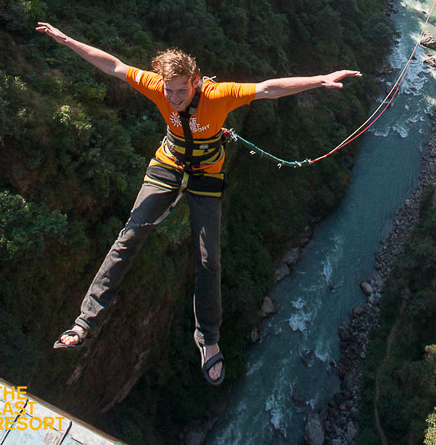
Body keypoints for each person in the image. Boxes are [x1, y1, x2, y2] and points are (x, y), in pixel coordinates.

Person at [36, 22, 361, 385]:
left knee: (209, 260)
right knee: (129, 237)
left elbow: (268, 88)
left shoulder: (219, 95)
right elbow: (114, 66)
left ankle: (208, 338)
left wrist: (320, 80)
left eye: (180, 90)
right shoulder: (158, 87)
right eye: (169, 91)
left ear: (195, 81)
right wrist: (65, 40)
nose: (173, 97)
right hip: (169, 165)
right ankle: (86, 322)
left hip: (206, 174)